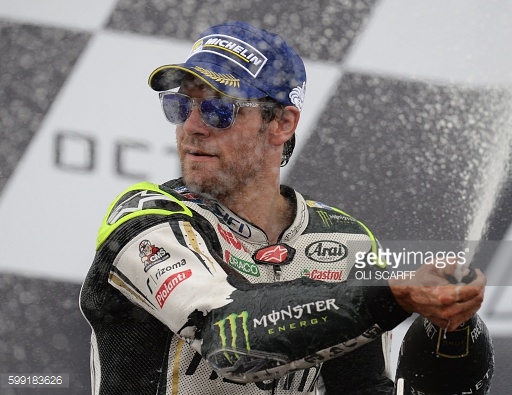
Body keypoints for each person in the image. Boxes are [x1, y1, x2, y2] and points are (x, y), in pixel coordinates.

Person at [79, 21, 486, 395]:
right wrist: (390, 298)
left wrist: (452, 330)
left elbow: (361, 388)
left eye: (220, 108)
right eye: (181, 106)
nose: (192, 126)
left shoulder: (346, 242)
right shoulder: (145, 218)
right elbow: (228, 340)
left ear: (282, 123)